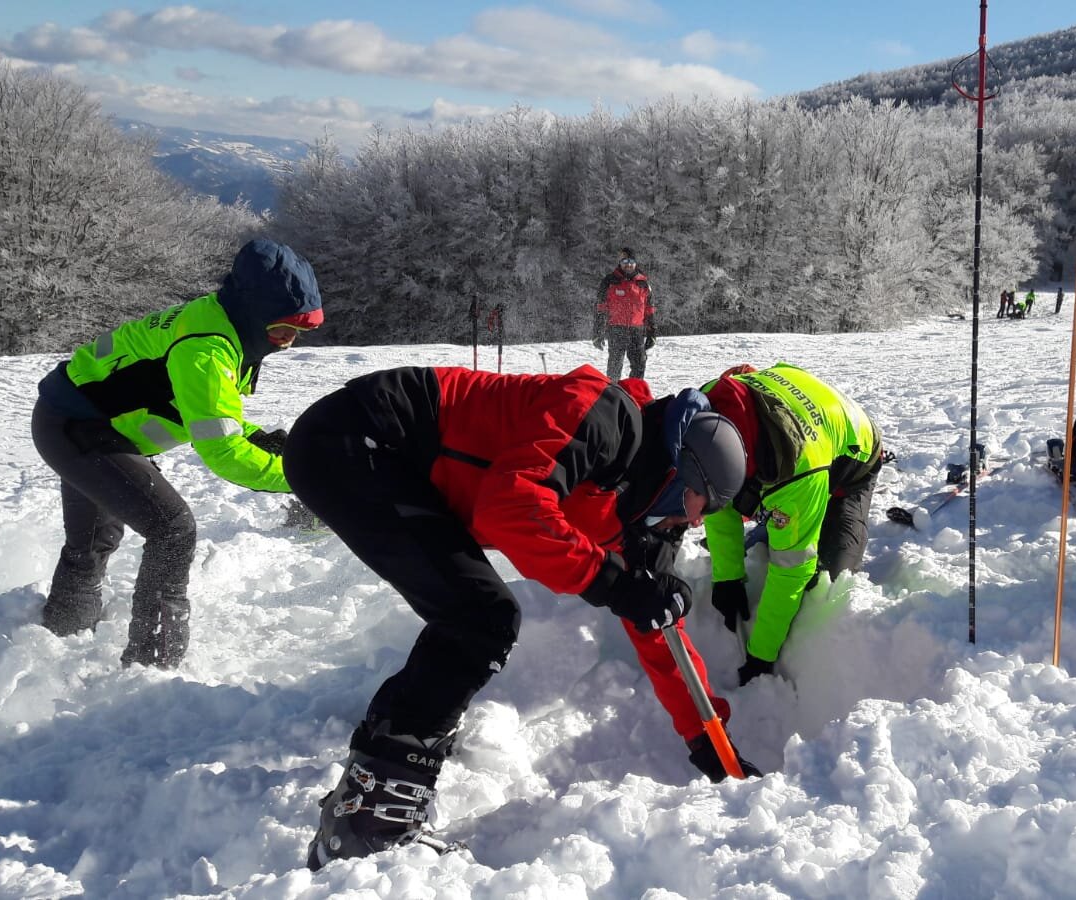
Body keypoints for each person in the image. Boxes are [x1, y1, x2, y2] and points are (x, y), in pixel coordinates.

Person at [284, 364, 762, 869]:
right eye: (697, 504)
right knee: (480, 618)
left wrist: (707, 737)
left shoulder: (648, 515)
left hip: (403, 470)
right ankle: (367, 824)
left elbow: (658, 629)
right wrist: (614, 584)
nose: (692, 521)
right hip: (360, 437)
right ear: (680, 471)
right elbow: (511, 505)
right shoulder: (604, 415)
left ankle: (377, 782)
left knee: (476, 618)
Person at [31, 238, 323, 668]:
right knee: (172, 528)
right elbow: (224, 451)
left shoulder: (225, 321)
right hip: (78, 428)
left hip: (87, 423)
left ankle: (59, 636)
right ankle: (152, 664)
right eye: (282, 330)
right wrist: (307, 479)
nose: (288, 343)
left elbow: (216, 417)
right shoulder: (206, 348)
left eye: (299, 333)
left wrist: (285, 450)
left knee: (94, 540)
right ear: (254, 314)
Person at [700, 363, 884, 685]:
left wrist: (761, 654)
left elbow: (791, 570)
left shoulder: (797, 470)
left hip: (853, 464)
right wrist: (726, 578)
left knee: (826, 577)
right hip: (808, 437)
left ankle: (806, 522)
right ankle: (782, 522)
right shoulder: (706, 408)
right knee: (761, 509)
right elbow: (718, 498)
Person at [594, 247, 655, 381]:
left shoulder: (643, 283)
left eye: (631, 261)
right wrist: (598, 332)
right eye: (625, 260)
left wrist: (652, 333)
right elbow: (600, 308)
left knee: (639, 366)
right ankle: (613, 397)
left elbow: (649, 310)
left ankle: (634, 396)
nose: (628, 264)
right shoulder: (609, 281)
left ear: (636, 263)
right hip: (616, 330)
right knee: (614, 368)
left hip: (636, 331)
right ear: (620, 262)